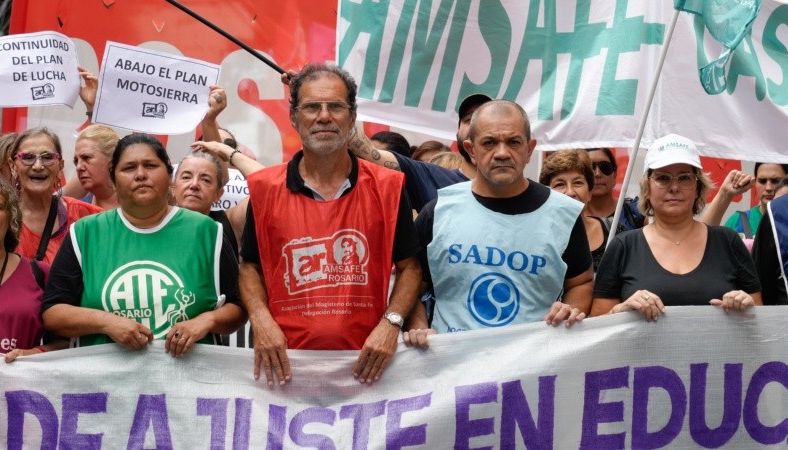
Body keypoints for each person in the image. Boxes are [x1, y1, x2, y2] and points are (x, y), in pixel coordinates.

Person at [241, 63, 422, 387]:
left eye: (335, 106)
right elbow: (250, 266)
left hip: (370, 369)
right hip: (287, 371)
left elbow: (411, 268)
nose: (324, 116)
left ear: (352, 118)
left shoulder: (389, 187)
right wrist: (260, 319)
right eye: (312, 107)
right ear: (294, 117)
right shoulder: (265, 188)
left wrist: (391, 323)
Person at [407, 100, 593, 348]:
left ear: (530, 149)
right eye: (489, 142)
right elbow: (409, 283)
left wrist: (570, 309)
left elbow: (580, 282)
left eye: (514, 142)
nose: (502, 152)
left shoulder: (564, 215)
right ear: (471, 150)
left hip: (529, 366)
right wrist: (419, 325)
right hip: (452, 368)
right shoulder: (438, 211)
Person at [41, 134, 246, 356]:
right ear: (113, 180)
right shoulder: (84, 233)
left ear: (169, 177)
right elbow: (53, 313)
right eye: (129, 168)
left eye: (150, 165)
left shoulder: (208, 231)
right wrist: (106, 323)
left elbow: (238, 307)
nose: (140, 175)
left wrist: (207, 320)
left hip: (190, 386)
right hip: (106, 386)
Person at [592, 134, 761, 319]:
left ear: (698, 187)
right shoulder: (623, 247)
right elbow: (597, 326)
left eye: (684, 178)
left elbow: (761, 317)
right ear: (647, 187)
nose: (674, 187)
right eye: (663, 178)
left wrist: (746, 307)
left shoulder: (728, 241)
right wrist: (621, 310)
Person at [348, 94, 487, 211]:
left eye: (484, 120)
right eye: (468, 120)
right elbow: (369, 153)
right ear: (457, 133)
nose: (475, 126)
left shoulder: (508, 187)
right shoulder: (430, 177)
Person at [0, 174, 67, 362]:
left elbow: (67, 344)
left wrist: (33, 354)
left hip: (18, 388)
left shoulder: (39, 274)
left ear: (11, 217)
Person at [10, 127, 103, 264]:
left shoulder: (88, 217)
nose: (38, 166)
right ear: (13, 167)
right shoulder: (0, 220)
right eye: (28, 157)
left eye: (47, 157)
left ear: (60, 167)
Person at [539, 150, 609, 271]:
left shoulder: (614, 229)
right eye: (560, 184)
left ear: (590, 192)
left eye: (578, 183)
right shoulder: (536, 236)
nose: (570, 192)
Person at [172, 151, 239, 260]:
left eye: (205, 180)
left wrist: (229, 152)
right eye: (186, 177)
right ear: (173, 188)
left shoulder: (227, 225)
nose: (194, 185)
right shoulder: (152, 223)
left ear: (218, 194)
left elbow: (267, 188)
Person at [584, 148, 645, 230]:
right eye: (590, 168)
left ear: (615, 174)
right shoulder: (571, 217)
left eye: (605, 167)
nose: (597, 174)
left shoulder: (637, 211)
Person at [723, 162, 788, 238]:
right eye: (762, 181)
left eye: (775, 181)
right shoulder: (737, 220)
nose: (768, 188)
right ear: (755, 182)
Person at [72, 125, 119, 209]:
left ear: (112, 159)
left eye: (86, 157)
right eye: (76, 161)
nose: (78, 167)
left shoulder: (143, 208)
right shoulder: (76, 211)